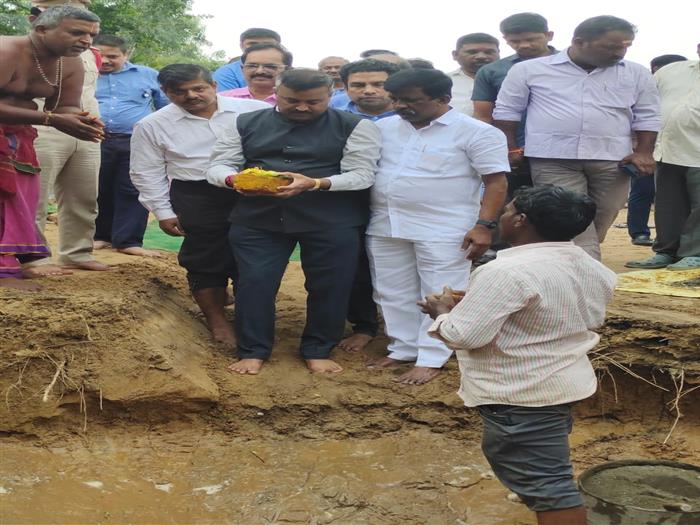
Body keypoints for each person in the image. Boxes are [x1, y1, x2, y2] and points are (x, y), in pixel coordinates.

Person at [421, 185, 617, 525]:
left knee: (551, 490)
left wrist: (441, 312)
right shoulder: (588, 263)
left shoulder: (503, 272)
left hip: (522, 395)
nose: (502, 216)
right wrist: (482, 300)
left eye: (508, 211)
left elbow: (464, 335)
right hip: (561, 383)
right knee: (545, 469)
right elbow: (564, 306)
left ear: (521, 221)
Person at [206, 69, 381, 375]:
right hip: (257, 217)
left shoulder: (356, 126)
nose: (302, 108)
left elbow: (363, 174)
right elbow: (219, 164)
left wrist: (315, 183)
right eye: (292, 101)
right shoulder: (243, 122)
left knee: (330, 285)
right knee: (254, 283)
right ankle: (253, 350)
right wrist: (233, 179)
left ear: (330, 96)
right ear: (277, 92)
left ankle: (318, 349)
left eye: (313, 102)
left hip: (331, 218)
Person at [366, 69, 509, 385]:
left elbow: (496, 182)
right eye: (397, 99)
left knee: (440, 292)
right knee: (390, 290)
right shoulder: (384, 128)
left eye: (411, 100)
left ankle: (433, 356)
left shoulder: (478, 132)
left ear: (443, 99)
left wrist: (484, 226)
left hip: (445, 227)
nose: (401, 106)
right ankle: (402, 348)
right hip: (386, 222)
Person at [493, 15, 661, 261]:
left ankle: (576, 264)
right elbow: (507, 112)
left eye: (625, 46)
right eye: (612, 47)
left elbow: (647, 114)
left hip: (613, 159)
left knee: (601, 219)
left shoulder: (636, 73)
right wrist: (511, 148)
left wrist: (644, 152)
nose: (620, 52)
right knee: (567, 218)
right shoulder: (530, 70)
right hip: (553, 158)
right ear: (579, 41)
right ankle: (584, 275)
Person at [130, 64, 268, 344]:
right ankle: (217, 321)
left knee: (256, 256)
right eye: (179, 92)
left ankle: (252, 321)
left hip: (253, 190)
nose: (191, 95)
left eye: (198, 88)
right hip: (196, 194)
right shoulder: (152, 125)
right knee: (205, 260)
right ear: (166, 93)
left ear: (214, 86)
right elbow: (146, 171)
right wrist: (164, 212)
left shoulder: (254, 111)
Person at [0, 5, 103, 290]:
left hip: (20, 135)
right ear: (41, 29)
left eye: (91, 35)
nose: (86, 41)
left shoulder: (70, 63)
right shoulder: (6, 51)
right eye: (77, 32)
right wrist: (50, 118)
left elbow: (65, 106)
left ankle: (12, 263)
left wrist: (80, 119)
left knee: (21, 197)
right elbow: (52, 114)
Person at [26, 0, 108, 276]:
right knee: (33, 196)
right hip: (42, 125)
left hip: (86, 127)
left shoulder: (91, 52)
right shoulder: (29, 48)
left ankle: (77, 252)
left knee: (84, 195)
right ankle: (31, 257)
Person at [333, 59, 399, 352]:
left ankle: (411, 327)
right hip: (349, 197)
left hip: (401, 200)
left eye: (378, 84)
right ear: (345, 87)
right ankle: (364, 325)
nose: (368, 91)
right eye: (358, 85)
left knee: (403, 263)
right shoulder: (331, 112)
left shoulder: (414, 112)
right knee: (354, 262)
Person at [92, 34, 169, 257]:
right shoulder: (83, 73)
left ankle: (128, 241)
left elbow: (165, 107)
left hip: (136, 142)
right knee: (97, 188)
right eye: (99, 55)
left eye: (112, 56)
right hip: (94, 139)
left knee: (133, 189)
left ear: (126, 55)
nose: (105, 60)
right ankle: (100, 236)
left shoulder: (148, 75)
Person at [626, 44, 700, 271]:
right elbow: (646, 105)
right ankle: (665, 251)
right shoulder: (671, 71)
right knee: (668, 206)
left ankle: (694, 253)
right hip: (667, 151)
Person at [472, 13, 556, 198]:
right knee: (516, 207)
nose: (524, 45)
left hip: (561, 151)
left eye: (531, 39)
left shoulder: (574, 65)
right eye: (515, 41)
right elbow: (483, 116)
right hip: (514, 152)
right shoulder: (492, 71)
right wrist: (501, 150)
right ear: (505, 40)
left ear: (549, 35)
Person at [219, 43, 292, 105]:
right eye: (252, 66)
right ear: (242, 69)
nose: (259, 71)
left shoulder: (296, 101)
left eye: (270, 67)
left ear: (287, 70)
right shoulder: (222, 100)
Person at [212, 28, 281, 92]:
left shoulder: (286, 69)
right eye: (253, 44)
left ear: (278, 46)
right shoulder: (226, 73)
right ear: (241, 46)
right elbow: (227, 101)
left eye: (267, 44)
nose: (259, 47)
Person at [448, 33, 500, 116]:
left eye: (489, 52)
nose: (481, 56)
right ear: (455, 55)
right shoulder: (442, 81)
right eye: (472, 52)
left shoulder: (511, 79)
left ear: (498, 53)